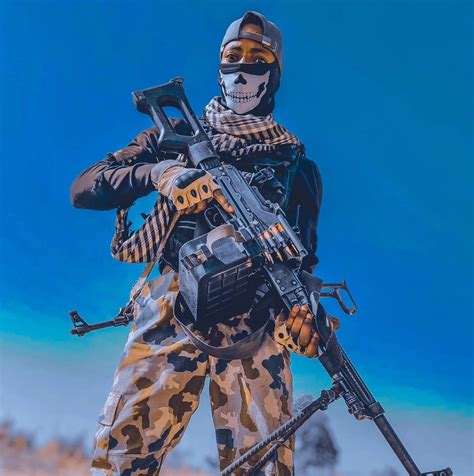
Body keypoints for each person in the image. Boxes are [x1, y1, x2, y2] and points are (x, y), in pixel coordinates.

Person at [70, 11, 323, 476]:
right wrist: (159, 173)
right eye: (233, 57)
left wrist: (302, 320)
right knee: (123, 460)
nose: (242, 70)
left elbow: (302, 261)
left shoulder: (295, 166)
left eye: (258, 58)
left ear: (275, 73)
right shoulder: (173, 138)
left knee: (264, 467)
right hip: (171, 306)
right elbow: (85, 188)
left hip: (256, 324)